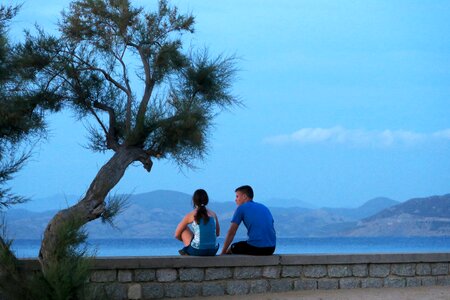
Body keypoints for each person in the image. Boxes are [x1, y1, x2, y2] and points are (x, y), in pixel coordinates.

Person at [221, 185, 276, 255]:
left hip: (257, 248)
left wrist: (222, 253)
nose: (235, 199)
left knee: (233, 247)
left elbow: (231, 232)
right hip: (271, 248)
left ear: (244, 196)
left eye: (237, 196)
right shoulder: (264, 207)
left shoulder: (241, 208)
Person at [175, 189, 220, 256]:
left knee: (184, 228)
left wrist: (187, 242)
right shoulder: (213, 214)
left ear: (194, 201)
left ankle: (187, 250)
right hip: (212, 251)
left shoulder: (191, 215)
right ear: (207, 200)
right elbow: (217, 233)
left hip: (197, 251)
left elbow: (176, 235)